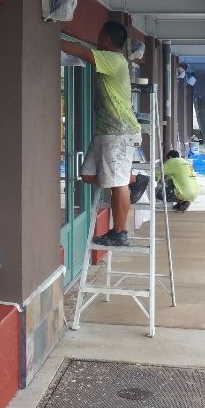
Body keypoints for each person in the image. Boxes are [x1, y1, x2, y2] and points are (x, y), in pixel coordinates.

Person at [60, 21, 148, 248]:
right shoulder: (113, 60)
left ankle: (120, 232)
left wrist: (52, 40)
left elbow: (81, 51)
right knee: (88, 175)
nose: (97, 38)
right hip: (107, 132)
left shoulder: (114, 59)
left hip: (119, 131)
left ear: (107, 38)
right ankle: (136, 180)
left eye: (99, 34)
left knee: (117, 182)